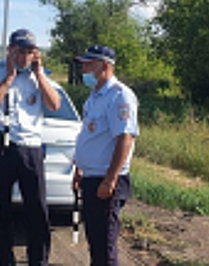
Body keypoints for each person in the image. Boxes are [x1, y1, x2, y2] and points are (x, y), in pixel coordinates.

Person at [0, 29, 61, 266]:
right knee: (1, 209)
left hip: (31, 147)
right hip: (0, 144)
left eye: (30, 52)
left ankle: (39, 261)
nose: (25, 57)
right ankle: (6, 261)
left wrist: (40, 75)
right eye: (20, 51)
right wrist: (9, 78)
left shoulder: (39, 74)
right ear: (10, 50)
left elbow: (54, 105)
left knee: (38, 210)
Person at [71, 45, 139, 266]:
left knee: (105, 244)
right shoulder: (94, 97)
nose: (84, 70)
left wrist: (110, 179)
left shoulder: (119, 96)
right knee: (95, 242)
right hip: (91, 178)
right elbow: (90, 137)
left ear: (105, 66)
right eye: (83, 65)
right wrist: (80, 168)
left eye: (89, 65)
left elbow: (125, 139)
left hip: (107, 181)